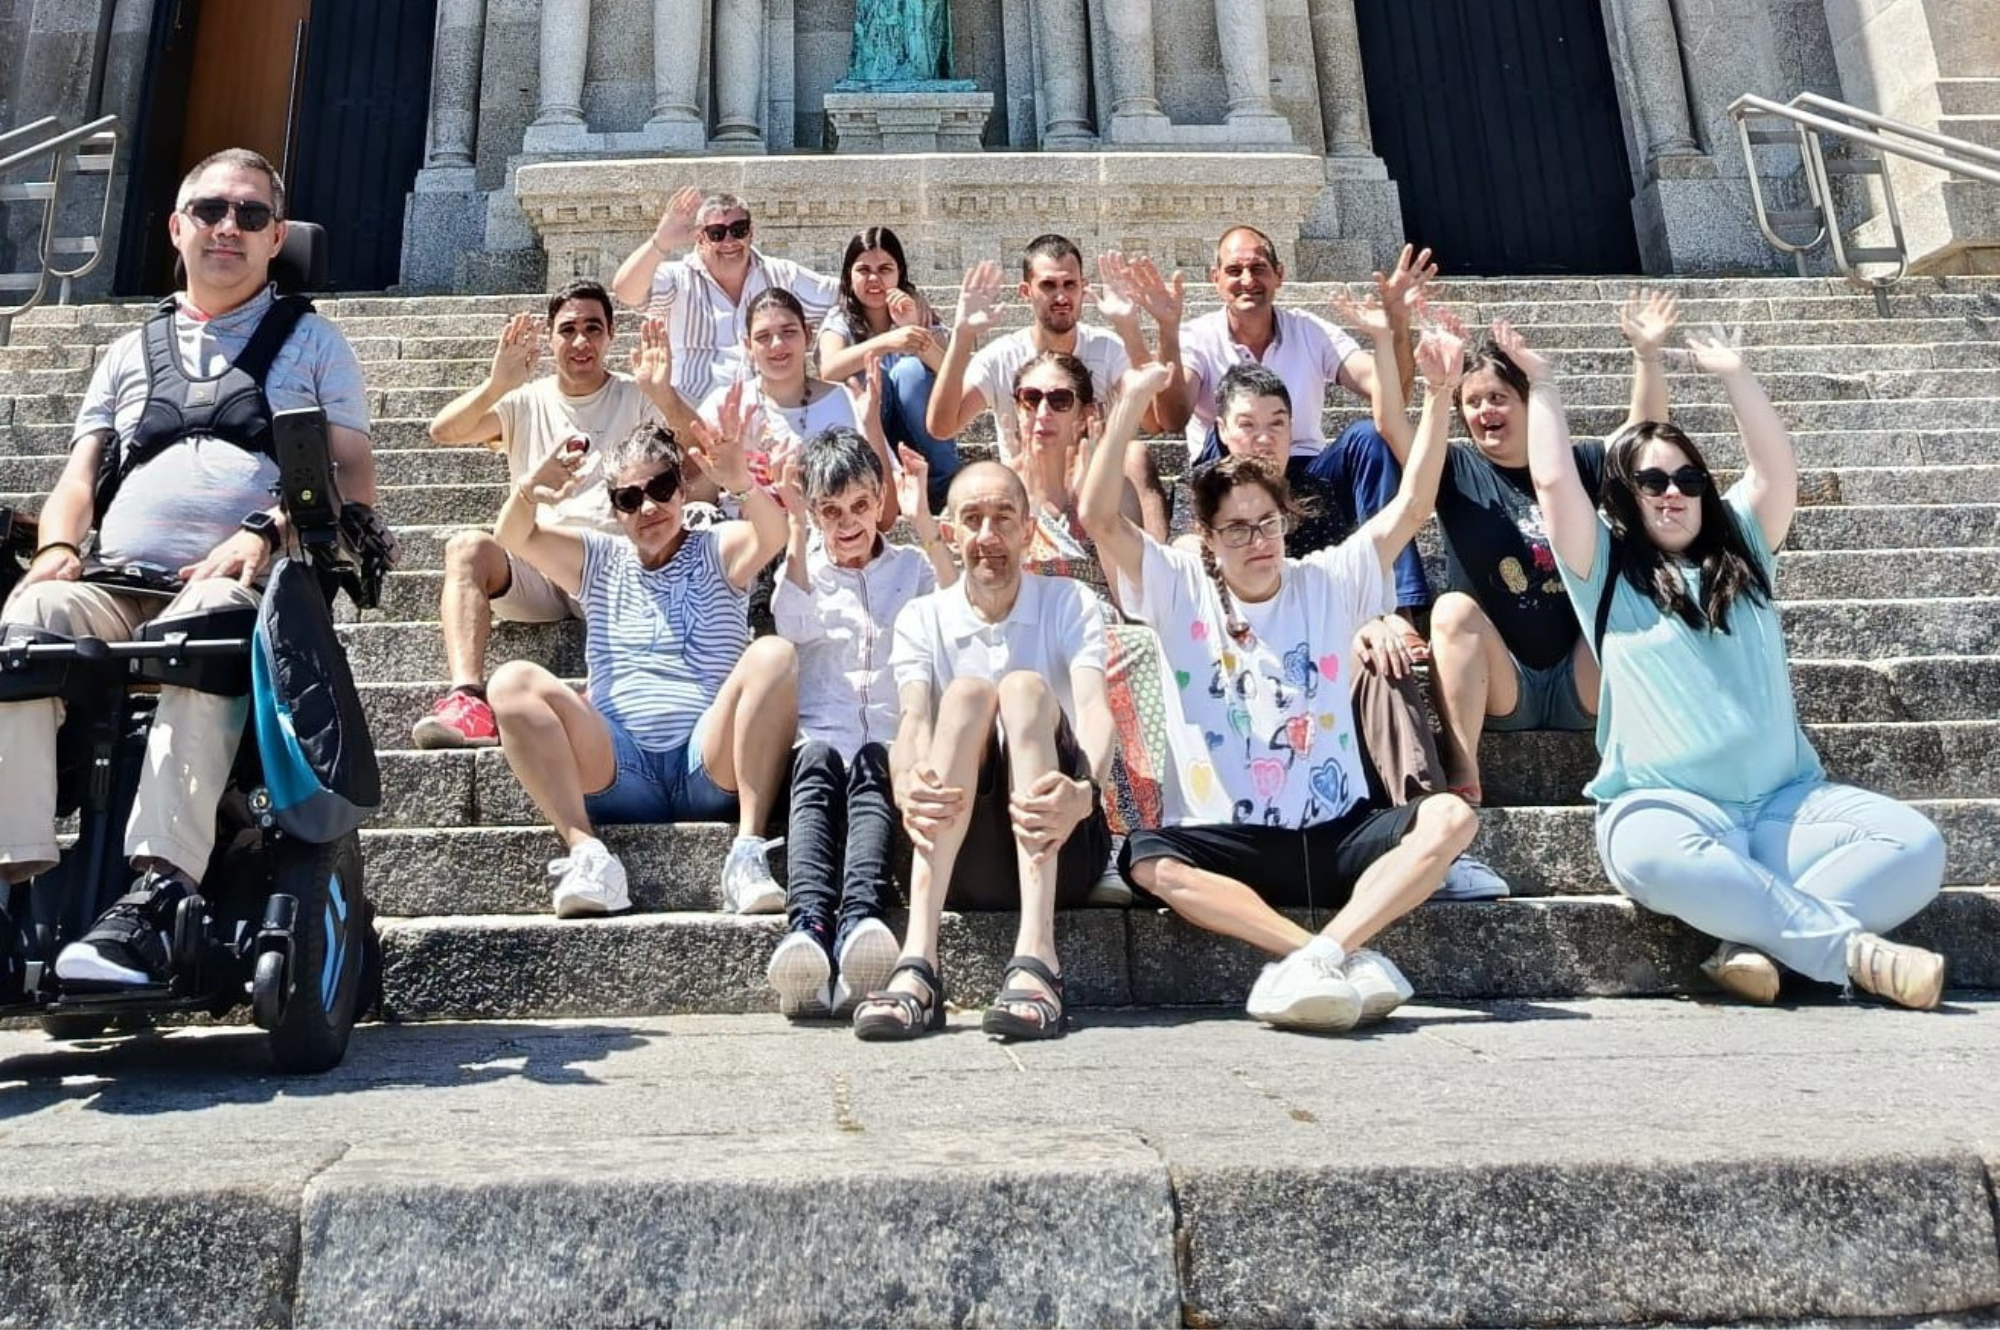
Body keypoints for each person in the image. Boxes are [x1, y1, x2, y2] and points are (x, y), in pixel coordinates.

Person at [0, 147, 376, 986]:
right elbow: (77, 480)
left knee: (203, 622)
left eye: (250, 215)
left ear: (277, 237)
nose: (227, 227)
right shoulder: (129, 352)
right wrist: (58, 549)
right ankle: (11, 880)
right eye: (210, 210)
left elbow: (352, 483)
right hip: (117, 581)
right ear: (177, 228)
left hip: (241, 587)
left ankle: (158, 892)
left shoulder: (315, 345)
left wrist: (266, 534)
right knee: (27, 624)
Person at [1517, 322, 1949, 1009]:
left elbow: (1776, 471)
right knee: (1652, 857)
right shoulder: (1604, 570)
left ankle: (1757, 942)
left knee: (1916, 845)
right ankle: (1850, 953)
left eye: (1688, 479)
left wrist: (1734, 375)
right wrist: (1541, 383)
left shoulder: (1745, 551)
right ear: (1625, 495)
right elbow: (1550, 479)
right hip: (1667, 807)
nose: (1673, 492)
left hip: (1785, 807)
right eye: (1652, 480)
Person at [1078, 328, 1478, 1035]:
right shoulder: (1178, 585)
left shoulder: (1326, 581)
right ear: (1208, 539)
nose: (1256, 540)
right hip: (1228, 837)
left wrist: (1442, 394)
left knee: (1451, 817)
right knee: (1145, 859)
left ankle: (1323, 953)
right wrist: (1131, 405)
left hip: (1336, 829)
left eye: (1266, 523)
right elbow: (1097, 516)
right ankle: (1328, 955)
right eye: (1235, 529)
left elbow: (1415, 504)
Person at [1186, 359, 1507, 899]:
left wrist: (1369, 622)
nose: (1264, 439)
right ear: (1220, 430)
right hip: (1239, 688)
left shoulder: (1318, 498)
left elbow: (1406, 514)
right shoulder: (1202, 506)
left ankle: (1428, 836)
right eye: (1248, 425)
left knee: (1383, 656)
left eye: (1277, 424)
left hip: (1323, 678)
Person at [487, 403, 799, 918]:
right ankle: (588, 854)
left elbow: (774, 535)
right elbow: (512, 537)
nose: (648, 507)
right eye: (629, 499)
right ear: (615, 509)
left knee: (774, 654)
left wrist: (741, 484)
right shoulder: (599, 558)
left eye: (660, 488)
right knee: (510, 682)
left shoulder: (718, 547)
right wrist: (530, 489)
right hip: (618, 767)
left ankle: (747, 852)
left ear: (681, 490)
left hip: (707, 761)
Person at [850, 461, 1116, 1042]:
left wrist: (1085, 793)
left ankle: (1039, 957)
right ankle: (918, 962)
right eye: (972, 520)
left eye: (1003, 518)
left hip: (1063, 839)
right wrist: (907, 783)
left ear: (1028, 531)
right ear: (950, 533)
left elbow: (1096, 709)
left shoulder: (1068, 601)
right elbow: (913, 719)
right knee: (967, 695)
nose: (988, 536)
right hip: (960, 848)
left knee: (1023, 691)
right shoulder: (923, 616)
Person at [1409, 291, 1678, 804]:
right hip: (1503, 682)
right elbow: (1403, 456)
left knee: (1637, 585)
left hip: (1582, 677)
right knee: (1450, 611)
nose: (1485, 410)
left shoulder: (1577, 463)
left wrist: (1647, 355)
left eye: (1498, 397)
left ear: (1529, 401)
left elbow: (1643, 439)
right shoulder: (1457, 469)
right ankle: (1463, 769)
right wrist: (1437, 389)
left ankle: (1644, 763)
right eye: (1473, 402)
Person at [414, 281, 681, 748]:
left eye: (593, 329)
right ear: (551, 337)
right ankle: (467, 700)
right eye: (568, 330)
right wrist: (498, 384)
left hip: (610, 566)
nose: (580, 342)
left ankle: (619, 699)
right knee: (466, 548)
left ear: (610, 335)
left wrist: (665, 394)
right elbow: (444, 432)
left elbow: (698, 447)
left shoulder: (634, 396)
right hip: (535, 565)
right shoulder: (525, 400)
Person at [766, 429, 956, 1018]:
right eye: (830, 511)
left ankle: (859, 924)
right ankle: (808, 927)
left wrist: (924, 522)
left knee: (877, 758)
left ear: (879, 500)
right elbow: (790, 624)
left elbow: (958, 611)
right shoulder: (804, 570)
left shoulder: (911, 570)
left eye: (859, 505)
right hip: (821, 739)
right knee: (817, 760)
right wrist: (796, 531)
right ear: (813, 512)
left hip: (888, 742)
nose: (848, 523)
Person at [1160, 229, 1435, 617]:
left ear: (1279, 274)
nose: (1247, 280)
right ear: (1215, 278)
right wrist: (1167, 333)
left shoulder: (1309, 331)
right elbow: (1171, 417)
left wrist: (1397, 327)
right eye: (1234, 270)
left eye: (1258, 268)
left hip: (1303, 468)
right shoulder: (1197, 337)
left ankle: (1398, 608)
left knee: (1369, 438)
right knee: (1228, 428)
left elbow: (1391, 396)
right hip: (1225, 471)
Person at [925, 235, 1171, 535]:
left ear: (1083, 287)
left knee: (1135, 456)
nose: (1061, 296)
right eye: (1048, 285)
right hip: (1027, 490)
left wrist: (1129, 327)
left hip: (1097, 488)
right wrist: (962, 336)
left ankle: (1158, 559)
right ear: (1026, 291)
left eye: (1070, 285)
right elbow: (942, 427)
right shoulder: (1000, 358)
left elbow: (1153, 422)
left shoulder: (1108, 348)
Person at [610, 187, 837, 404]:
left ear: (751, 233)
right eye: (717, 233)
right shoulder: (678, 279)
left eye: (738, 230)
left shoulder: (783, 275)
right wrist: (661, 241)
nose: (729, 242)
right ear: (700, 239)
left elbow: (844, 298)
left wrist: (830, 347)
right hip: (693, 415)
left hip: (769, 415)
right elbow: (626, 292)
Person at [697, 288, 896, 524]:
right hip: (747, 538)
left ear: (808, 335)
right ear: (748, 346)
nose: (777, 344)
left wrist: (871, 425)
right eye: (763, 337)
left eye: (789, 332)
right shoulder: (726, 406)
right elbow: (691, 503)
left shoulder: (846, 400)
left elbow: (885, 517)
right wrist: (724, 471)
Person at [816, 226, 958, 509]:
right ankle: (876, 486)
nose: (874, 279)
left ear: (899, 273)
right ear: (849, 275)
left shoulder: (920, 314)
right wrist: (887, 342)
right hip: (872, 437)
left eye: (884, 269)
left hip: (921, 435)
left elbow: (950, 375)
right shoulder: (840, 320)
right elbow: (828, 369)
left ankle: (946, 485)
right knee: (870, 376)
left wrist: (914, 331)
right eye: (863, 270)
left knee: (910, 371)